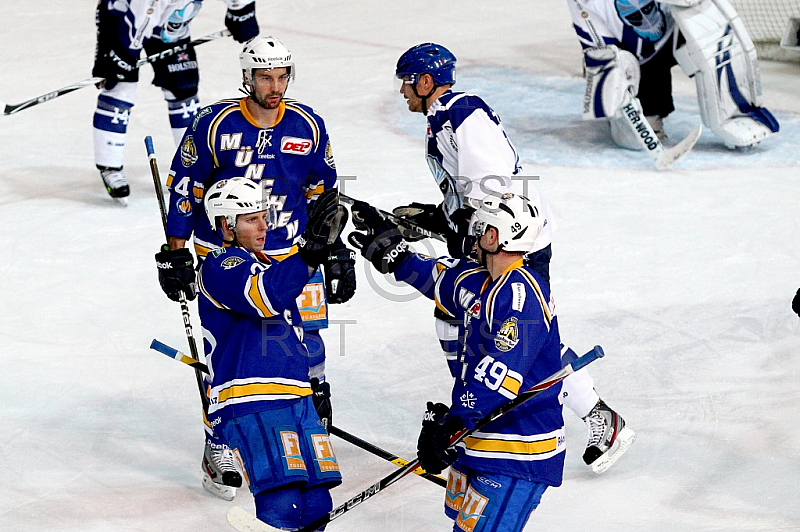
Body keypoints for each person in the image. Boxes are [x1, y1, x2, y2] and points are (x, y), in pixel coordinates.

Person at [391, 42, 634, 473]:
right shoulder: (444, 116)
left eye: (407, 83)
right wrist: (443, 217)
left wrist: (473, 236)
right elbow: (471, 189)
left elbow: (495, 186)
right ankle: (477, 409)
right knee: (467, 317)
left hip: (514, 239)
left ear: (425, 81)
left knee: (516, 332)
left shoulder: (461, 112)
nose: (403, 92)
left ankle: (593, 416)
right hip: (497, 235)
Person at [153, 36, 356, 499]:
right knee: (227, 356)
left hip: (294, 256)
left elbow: (323, 194)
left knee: (311, 349)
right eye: (266, 76)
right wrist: (175, 252)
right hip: (229, 258)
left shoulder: (308, 125)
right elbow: (186, 188)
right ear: (247, 77)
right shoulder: (213, 123)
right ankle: (217, 444)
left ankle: (304, 429)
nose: (276, 85)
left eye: (283, 75)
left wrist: (335, 248)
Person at [349, 192, 565, 531]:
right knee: (459, 521)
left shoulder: (522, 297)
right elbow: (438, 279)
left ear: (494, 237)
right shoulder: (479, 279)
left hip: (518, 449)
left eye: (480, 229)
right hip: (478, 438)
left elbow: (499, 375)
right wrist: (398, 254)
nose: (472, 237)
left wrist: (451, 422)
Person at [198, 178, 345, 529]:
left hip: (294, 395)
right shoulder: (221, 264)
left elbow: (289, 336)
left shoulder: (269, 265)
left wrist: (311, 384)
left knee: (316, 503)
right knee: (284, 501)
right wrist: (309, 251)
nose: (265, 226)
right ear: (225, 225)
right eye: (251, 219)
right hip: (253, 397)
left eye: (264, 216)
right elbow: (264, 298)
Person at [92, 0, 260, 203]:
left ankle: (194, 165)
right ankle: (110, 165)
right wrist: (122, 57)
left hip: (171, 27)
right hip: (122, 15)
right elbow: (139, 21)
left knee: (184, 89)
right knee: (120, 86)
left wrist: (241, 11)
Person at [566, 0, 778, 150]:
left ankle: (737, 111)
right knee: (634, 140)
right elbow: (600, 50)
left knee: (712, 33)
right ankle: (630, 118)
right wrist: (616, 79)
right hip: (640, 60)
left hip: (679, 29)